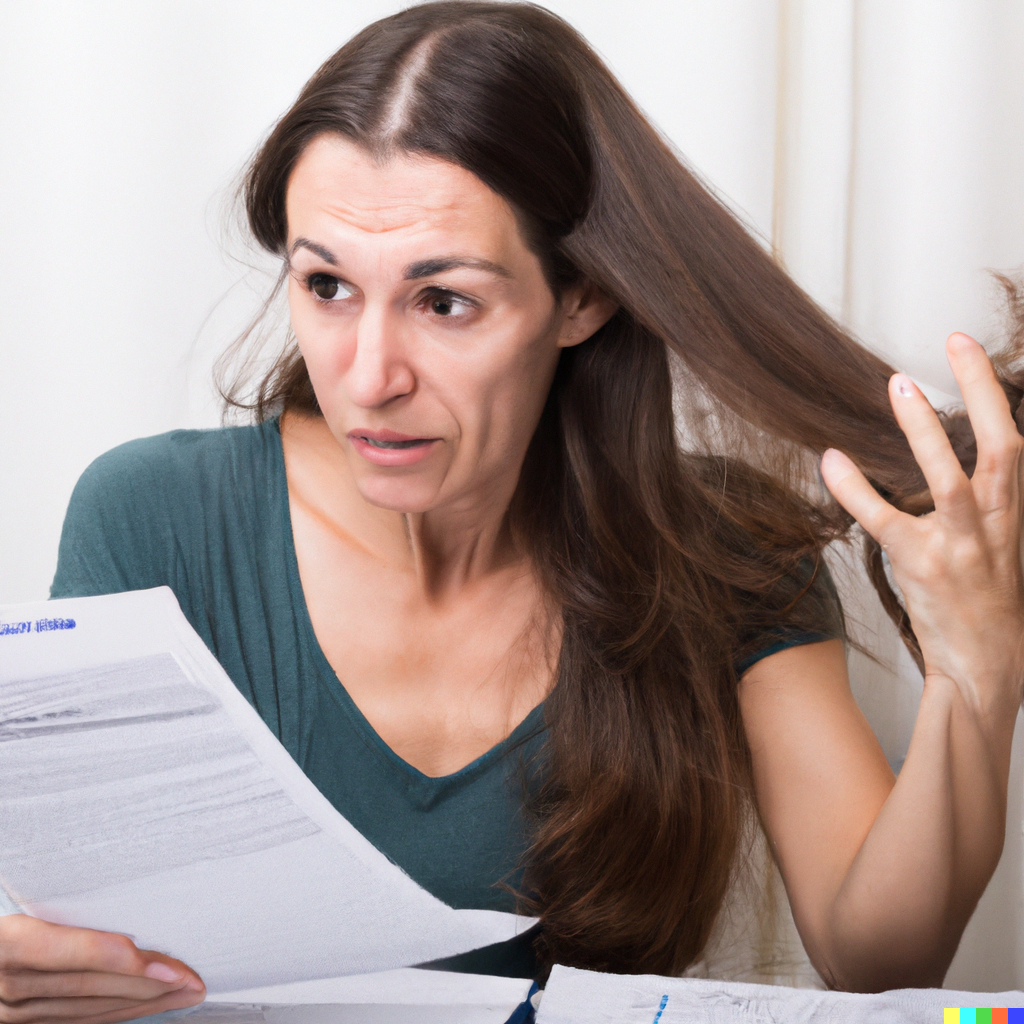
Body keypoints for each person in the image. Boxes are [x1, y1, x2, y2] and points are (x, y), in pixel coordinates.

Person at [2, 2, 1023, 1020]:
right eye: (326, 285)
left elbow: (879, 958)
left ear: (580, 297)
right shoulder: (153, 519)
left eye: (443, 301)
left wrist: (974, 666)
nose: (369, 377)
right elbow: (75, 935)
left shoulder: (723, 553)